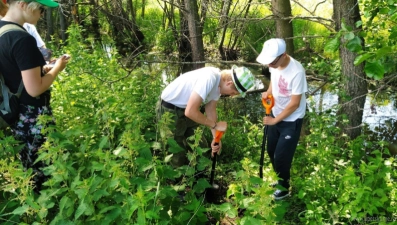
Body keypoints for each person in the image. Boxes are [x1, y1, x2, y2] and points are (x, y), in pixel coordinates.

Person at [0, 0, 69, 192]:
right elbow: (35, 89)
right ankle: (49, 209)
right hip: (32, 114)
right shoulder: (22, 39)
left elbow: (12, 71)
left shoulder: (2, 30)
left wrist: (41, 69)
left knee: (28, 162)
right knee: (44, 167)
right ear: (23, 4)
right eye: (40, 8)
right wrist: (57, 69)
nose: (41, 13)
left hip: (13, 110)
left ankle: (35, 205)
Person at [157, 66, 255, 168]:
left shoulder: (219, 86)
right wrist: (215, 125)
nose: (231, 95)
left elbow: (210, 110)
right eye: (233, 93)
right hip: (169, 109)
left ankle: (198, 177)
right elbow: (190, 111)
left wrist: (215, 138)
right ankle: (177, 181)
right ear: (229, 83)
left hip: (186, 108)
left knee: (201, 146)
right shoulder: (209, 78)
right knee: (175, 153)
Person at [256, 38, 307, 200]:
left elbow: (294, 104)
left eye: (272, 62)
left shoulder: (297, 72)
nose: (269, 66)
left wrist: (274, 120)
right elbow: (274, 81)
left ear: (283, 55)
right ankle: (280, 181)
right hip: (275, 113)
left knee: (281, 156)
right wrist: (269, 92)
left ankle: (284, 189)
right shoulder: (275, 65)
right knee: (271, 151)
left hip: (291, 120)